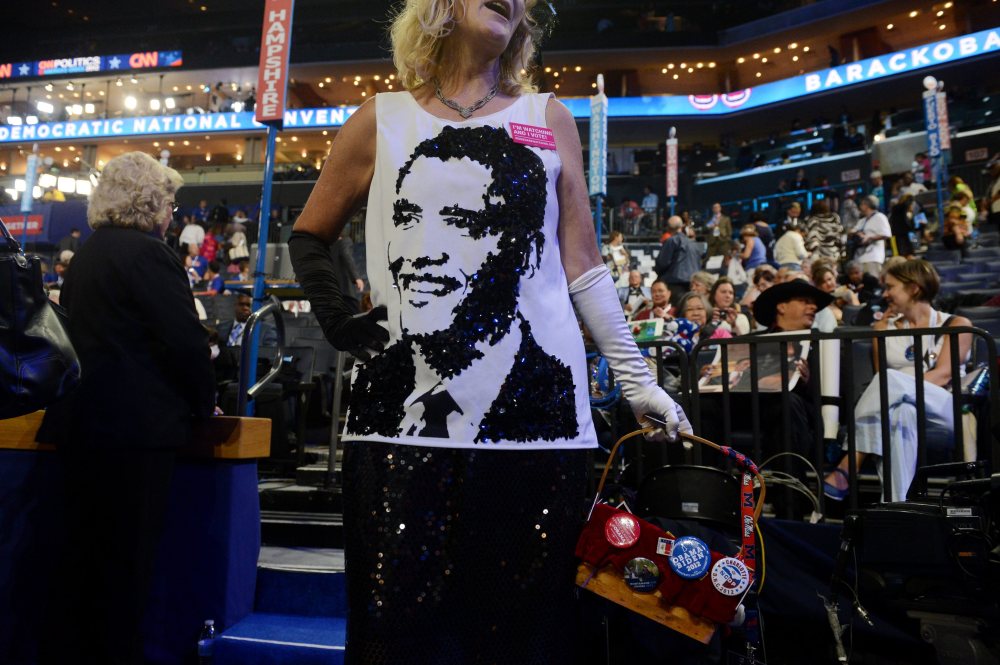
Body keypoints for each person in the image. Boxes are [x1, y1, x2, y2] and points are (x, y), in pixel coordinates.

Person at [285, 2, 690, 662]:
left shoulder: (549, 117)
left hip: (540, 430)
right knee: (396, 634)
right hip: (396, 432)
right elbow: (310, 232)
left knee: (525, 637)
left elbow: (583, 264)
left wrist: (638, 380)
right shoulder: (379, 118)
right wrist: (336, 320)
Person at [37, 152, 216, 665]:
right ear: (152, 202)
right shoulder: (149, 255)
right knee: (126, 572)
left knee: (82, 567)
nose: (174, 211)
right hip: (135, 436)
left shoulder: (91, 253)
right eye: (170, 200)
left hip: (82, 428)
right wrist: (205, 404)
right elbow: (185, 343)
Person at [823, 260, 972, 502]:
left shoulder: (957, 324)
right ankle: (896, 505)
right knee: (903, 411)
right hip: (899, 409)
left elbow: (944, 373)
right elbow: (880, 387)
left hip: (944, 408)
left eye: (891, 287)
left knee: (890, 380)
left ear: (914, 288)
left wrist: (900, 384)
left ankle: (851, 461)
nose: (885, 294)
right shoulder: (882, 329)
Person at [655, 214, 702, 308]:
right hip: (693, 286)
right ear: (682, 226)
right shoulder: (694, 244)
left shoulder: (671, 241)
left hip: (675, 286)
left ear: (668, 228)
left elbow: (663, 263)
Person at [851, 194, 891, 277]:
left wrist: (869, 237)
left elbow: (887, 234)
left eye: (862, 204)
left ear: (866, 206)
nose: (860, 207)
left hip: (873, 257)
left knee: (874, 283)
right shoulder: (862, 220)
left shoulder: (880, 217)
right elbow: (852, 231)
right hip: (859, 258)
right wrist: (857, 234)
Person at [887, 193, 915, 257]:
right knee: (904, 254)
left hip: (906, 235)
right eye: (911, 203)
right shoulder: (900, 209)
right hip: (901, 236)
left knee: (908, 253)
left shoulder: (897, 210)